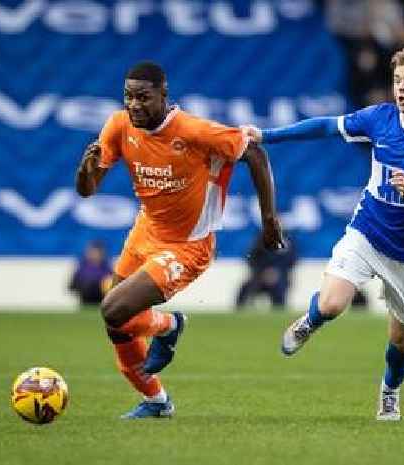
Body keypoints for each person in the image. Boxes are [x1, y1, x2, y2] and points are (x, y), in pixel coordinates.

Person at [242, 47, 404, 421]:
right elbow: (326, 126)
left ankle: (390, 391)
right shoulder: (380, 118)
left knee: (401, 338)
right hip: (368, 231)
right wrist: (266, 135)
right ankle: (309, 321)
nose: (401, 88)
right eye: (397, 80)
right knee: (331, 304)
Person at [75, 61, 284, 419]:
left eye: (143, 97)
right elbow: (88, 191)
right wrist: (85, 171)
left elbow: (256, 153)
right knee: (117, 325)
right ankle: (157, 402)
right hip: (144, 232)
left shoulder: (194, 131)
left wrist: (268, 219)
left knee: (113, 307)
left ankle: (170, 324)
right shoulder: (119, 125)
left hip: (187, 246)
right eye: (129, 96)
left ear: (163, 96)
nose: (134, 105)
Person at [236, 234, 297, 309]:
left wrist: (277, 271)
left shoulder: (288, 239)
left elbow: (292, 259)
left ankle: (279, 310)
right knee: (245, 288)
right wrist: (263, 272)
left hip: (280, 276)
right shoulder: (260, 239)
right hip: (260, 275)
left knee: (279, 290)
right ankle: (239, 309)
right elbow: (252, 258)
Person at [68, 240, 113, 306]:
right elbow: (72, 285)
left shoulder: (106, 268)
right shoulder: (82, 267)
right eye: (93, 252)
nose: (95, 255)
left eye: (97, 252)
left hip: (101, 299)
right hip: (85, 299)